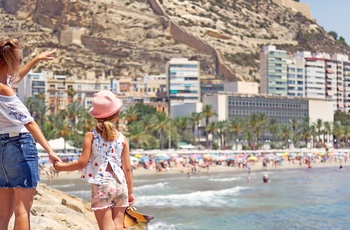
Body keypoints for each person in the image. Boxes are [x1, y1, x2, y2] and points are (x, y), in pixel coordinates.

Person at [0, 38, 62, 230]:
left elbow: (16, 77)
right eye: (18, 60)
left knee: (3, 212)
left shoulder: (4, 84)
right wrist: (50, 151)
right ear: (8, 62)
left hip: (2, 150)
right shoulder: (6, 92)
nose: (19, 64)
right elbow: (30, 123)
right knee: (22, 208)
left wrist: (36, 60)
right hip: (19, 146)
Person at [54, 90, 135, 230]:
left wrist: (61, 167)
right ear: (116, 115)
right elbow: (127, 168)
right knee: (119, 226)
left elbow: (82, 163)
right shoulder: (122, 139)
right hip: (120, 184)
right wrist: (131, 192)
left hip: (101, 184)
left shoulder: (90, 136)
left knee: (107, 227)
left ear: (96, 116)